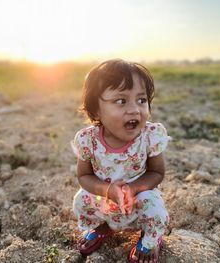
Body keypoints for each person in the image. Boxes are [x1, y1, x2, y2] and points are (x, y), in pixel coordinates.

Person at [71, 59, 170, 263]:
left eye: (141, 100)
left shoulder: (149, 135)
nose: (134, 109)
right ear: (96, 110)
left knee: (155, 209)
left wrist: (134, 188)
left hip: (138, 195)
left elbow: (157, 173)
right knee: (81, 201)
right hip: (104, 198)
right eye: (121, 101)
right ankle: (103, 227)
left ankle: (150, 240)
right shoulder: (88, 140)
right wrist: (107, 191)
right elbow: (84, 175)